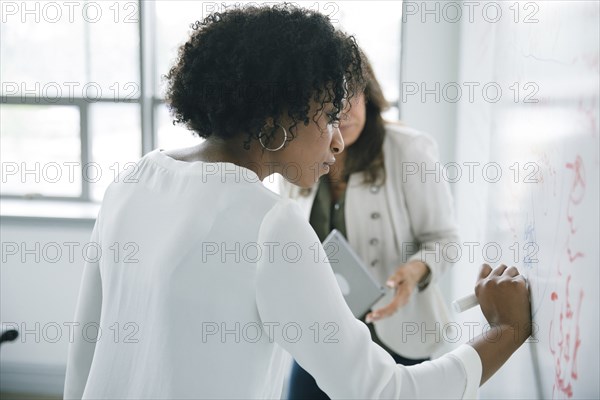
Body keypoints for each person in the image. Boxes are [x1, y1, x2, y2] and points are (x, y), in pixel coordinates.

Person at [63, 4, 532, 399]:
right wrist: (505, 333)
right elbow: (381, 390)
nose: (336, 140)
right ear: (280, 116)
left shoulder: (132, 179)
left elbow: (86, 348)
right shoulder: (270, 223)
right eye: (328, 116)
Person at [281, 51, 460, 399]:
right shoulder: (296, 153)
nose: (344, 111)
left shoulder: (408, 149)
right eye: (330, 103)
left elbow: (444, 239)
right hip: (324, 331)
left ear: (369, 93)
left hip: (398, 332)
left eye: (353, 95)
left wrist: (415, 270)